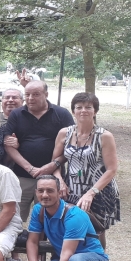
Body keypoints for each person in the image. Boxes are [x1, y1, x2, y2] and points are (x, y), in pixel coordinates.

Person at [51, 92, 120, 249]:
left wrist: (91, 193)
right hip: (70, 188)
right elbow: (55, 163)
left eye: (88, 107)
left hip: (99, 189)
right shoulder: (64, 133)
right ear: (73, 111)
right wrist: (60, 181)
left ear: (95, 111)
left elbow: (111, 169)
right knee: (70, 225)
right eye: (79, 107)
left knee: (96, 229)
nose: (83, 110)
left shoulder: (105, 136)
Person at [3, 81, 74, 222]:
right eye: (27, 94)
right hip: (22, 176)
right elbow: (8, 144)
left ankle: (43, 243)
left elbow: (71, 146)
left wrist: (53, 165)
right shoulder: (16, 114)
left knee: (49, 217)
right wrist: (29, 168)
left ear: (46, 95)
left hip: (52, 178)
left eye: (35, 94)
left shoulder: (62, 114)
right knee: (14, 217)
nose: (30, 98)